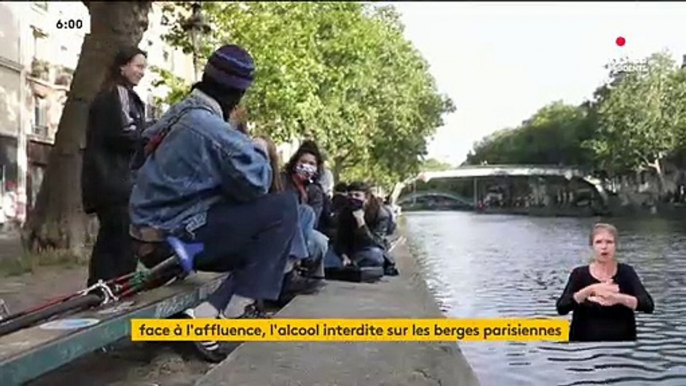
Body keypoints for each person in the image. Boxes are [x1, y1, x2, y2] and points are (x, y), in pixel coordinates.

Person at [128, 44, 299, 362]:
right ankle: (224, 318)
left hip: (152, 236)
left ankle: (207, 310)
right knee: (284, 209)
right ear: (237, 96)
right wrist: (259, 147)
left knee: (262, 246)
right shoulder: (212, 130)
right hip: (174, 243)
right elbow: (259, 183)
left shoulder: (180, 113)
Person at [82, 47, 147, 286]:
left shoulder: (119, 94)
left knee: (112, 239)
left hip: (111, 181)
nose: (142, 72)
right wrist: (151, 133)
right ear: (123, 66)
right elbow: (125, 133)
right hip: (115, 182)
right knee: (121, 240)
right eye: (138, 66)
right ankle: (113, 288)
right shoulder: (117, 93)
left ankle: (103, 289)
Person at [556, 223, 654, 342]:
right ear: (592, 246)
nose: (604, 247)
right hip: (584, 348)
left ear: (615, 246)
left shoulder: (626, 272)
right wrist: (589, 290)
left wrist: (618, 298)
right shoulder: (579, 274)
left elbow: (648, 305)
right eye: (599, 242)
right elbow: (562, 307)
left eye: (609, 242)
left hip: (622, 348)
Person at [326, 181, 393, 269]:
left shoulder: (381, 215)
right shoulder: (345, 212)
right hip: (349, 250)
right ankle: (349, 264)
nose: (353, 198)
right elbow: (340, 239)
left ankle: (353, 264)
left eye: (357, 195)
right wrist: (343, 255)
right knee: (328, 259)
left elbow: (375, 243)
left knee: (375, 256)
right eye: (350, 195)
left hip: (368, 249)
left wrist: (361, 223)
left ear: (366, 198)